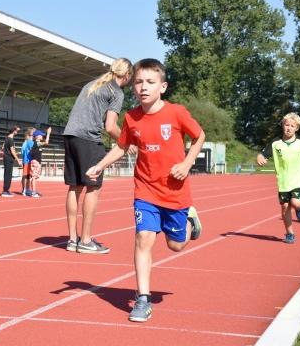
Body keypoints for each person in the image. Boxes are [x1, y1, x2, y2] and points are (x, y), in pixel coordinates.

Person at [86, 58, 204, 322]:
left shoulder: (176, 113)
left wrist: (187, 163)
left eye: (150, 82)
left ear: (163, 86)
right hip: (145, 190)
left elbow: (199, 136)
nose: (143, 87)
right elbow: (122, 146)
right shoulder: (131, 117)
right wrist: (100, 165)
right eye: (138, 82)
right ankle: (142, 299)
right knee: (143, 238)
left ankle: (190, 221)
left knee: (176, 245)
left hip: (174, 192)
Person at [63, 57, 133, 254]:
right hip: (88, 139)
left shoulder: (92, 84)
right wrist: (128, 141)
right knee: (93, 187)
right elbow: (110, 126)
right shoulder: (116, 92)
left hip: (70, 136)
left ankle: (72, 239)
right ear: (127, 75)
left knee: (74, 187)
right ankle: (85, 240)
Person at [256, 113, 300, 244]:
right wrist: (260, 157)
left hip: (298, 179)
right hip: (283, 181)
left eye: (292, 126)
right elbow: (263, 154)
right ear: (283, 125)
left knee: (296, 203)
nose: (289, 128)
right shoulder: (275, 143)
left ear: (297, 128)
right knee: (285, 207)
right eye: (286, 125)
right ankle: (290, 233)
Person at [29, 127, 51, 198]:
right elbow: (46, 142)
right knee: (34, 177)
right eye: (41, 135)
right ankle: (33, 192)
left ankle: (33, 191)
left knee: (35, 177)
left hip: (36, 162)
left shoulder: (36, 143)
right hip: (35, 162)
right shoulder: (37, 143)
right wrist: (48, 134)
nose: (42, 136)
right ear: (37, 136)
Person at [1, 126, 22, 197]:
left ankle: (6, 190)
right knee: (8, 175)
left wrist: (7, 152)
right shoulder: (11, 140)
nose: (17, 132)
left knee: (7, 174)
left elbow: (2, 147)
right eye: (17, 131)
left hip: (6, 158)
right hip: (9, 158)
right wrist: (18, 160)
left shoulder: (6, 138)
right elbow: (12, 151)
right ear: (14, 131)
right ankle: (5, 191)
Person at [20, 127, 35, 196]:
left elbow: (22, 152)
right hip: (27, 161)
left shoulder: (27, 142)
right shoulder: (27, 142)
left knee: (28, 176)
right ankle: (24, 189)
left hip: (29, 161)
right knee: (25, 175)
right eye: (33, 134)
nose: (33, 136)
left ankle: (27, 189)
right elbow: (23, 152)